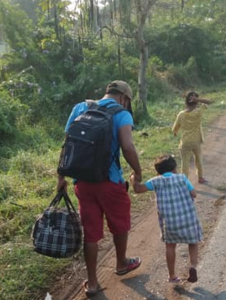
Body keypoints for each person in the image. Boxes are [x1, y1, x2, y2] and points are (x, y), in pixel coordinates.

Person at [57, 80, 142, 297]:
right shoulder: (122, 114)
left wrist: (61, 177)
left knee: (91, 233)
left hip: (82, 182)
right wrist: (138, 172)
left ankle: (93, 282)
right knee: (120, 224)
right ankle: (122, 262)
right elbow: (127, 146)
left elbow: (67, 143)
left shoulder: (80, 107)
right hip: (110, 181)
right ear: (124, 98)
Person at [130, 155, 203, 283]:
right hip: (188, 220)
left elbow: (138, 189)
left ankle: (172, 275)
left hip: (170, 223)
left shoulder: (156, 181)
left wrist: (133, 180)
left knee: (170, 246)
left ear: (158, 172)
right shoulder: (182, 178)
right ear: (175, 168)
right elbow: (194, 194)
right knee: (193, 242)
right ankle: (192, 266)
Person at [172, 91, 213, 184]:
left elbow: (175, 128)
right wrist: (198, 99)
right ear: (196, 103)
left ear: (185, 102)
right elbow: (210, 102)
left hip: (185, 142)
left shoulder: (181, 114)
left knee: (185, 163)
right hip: (196, 141)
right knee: (198, 159)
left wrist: (175, 132)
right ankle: (200, 177)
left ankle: (184, 181)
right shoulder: (198, 112)